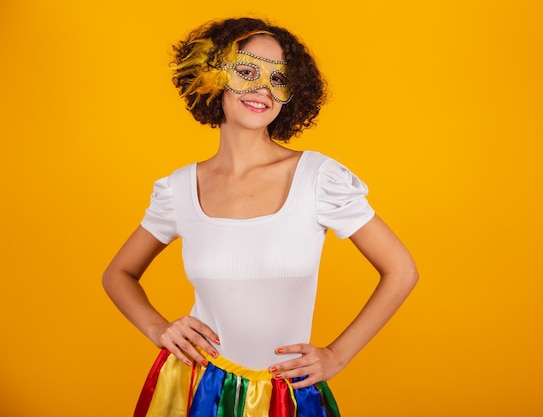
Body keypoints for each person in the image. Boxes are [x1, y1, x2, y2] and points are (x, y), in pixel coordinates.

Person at [102, 17, 418, 417]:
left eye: (277, 78)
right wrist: (157, 328)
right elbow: (118, 274)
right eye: (246, 71)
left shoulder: (319, 178)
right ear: (212, 77)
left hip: (285, 395)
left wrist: (336, 356)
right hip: (195, 390)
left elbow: (401, 270)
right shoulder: (179, 189)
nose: (262, 89)